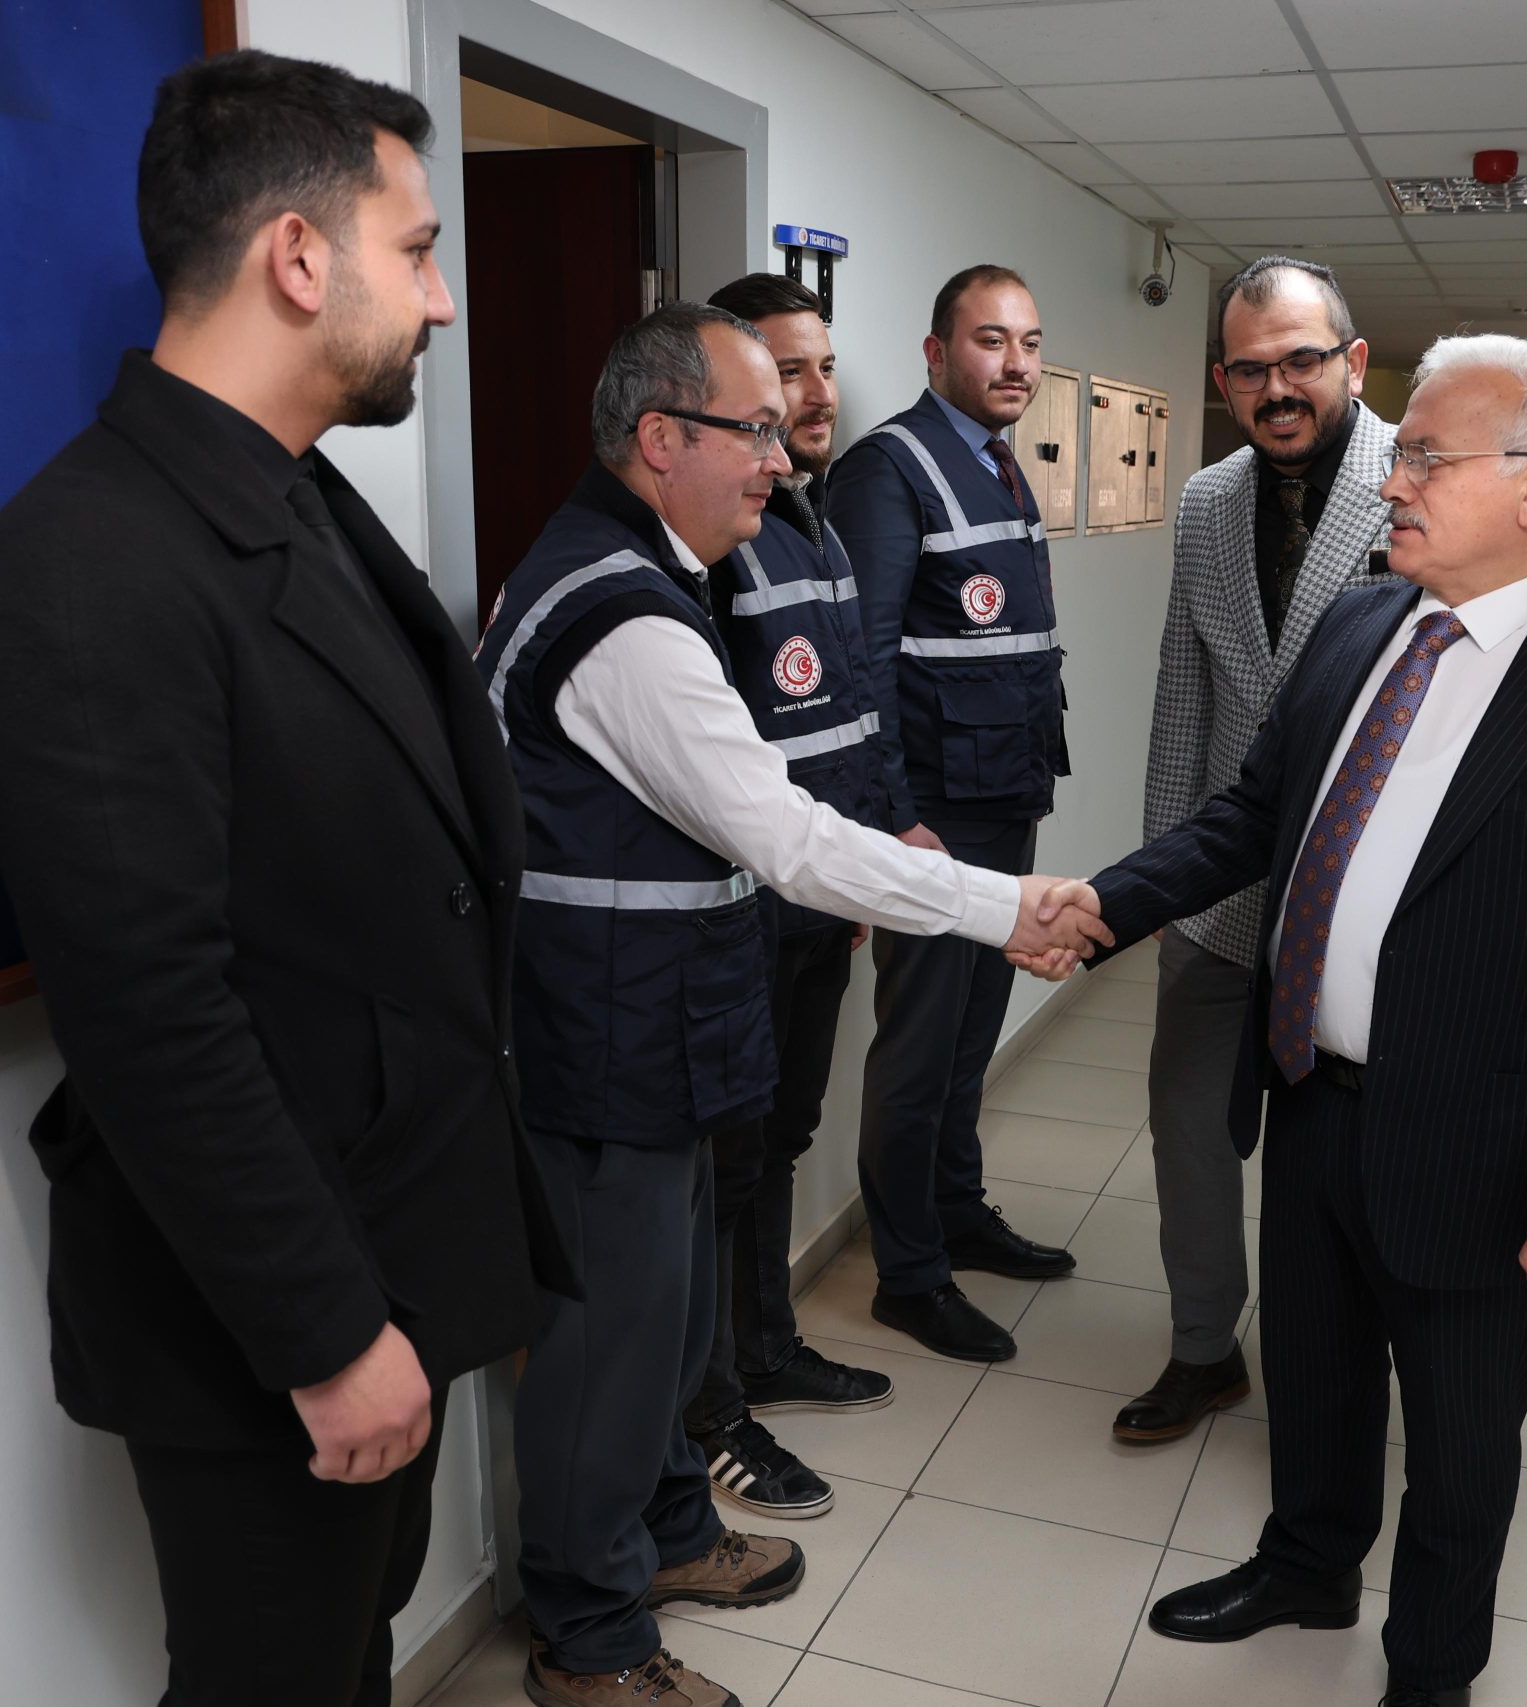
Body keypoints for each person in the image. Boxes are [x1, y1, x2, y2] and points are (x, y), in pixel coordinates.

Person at [0, 52, 571, 1707]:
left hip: (392, 1247)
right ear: (301, 257)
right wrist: (327, 1331)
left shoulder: (294, 499)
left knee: (347, 1653)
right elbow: (151, 1009)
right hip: (272, 1313)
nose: (441, 302)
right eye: (417, 250)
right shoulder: (84, 566)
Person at [1032, 334, 1527, 1707]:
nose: (1390, 481)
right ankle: (1307, 1563)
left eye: (1424, 459)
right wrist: (1103, 903)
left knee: (1461, 1443)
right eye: (1398, 453)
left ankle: (1431, 1669)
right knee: (1316, 1374)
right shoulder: (1359, 626)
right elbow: (1250, 816)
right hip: (1314, 1097)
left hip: (1483, 1148)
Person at [478, 302, 1106, 1707]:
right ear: (660, 439)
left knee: (668, 1315)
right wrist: (1003, 905)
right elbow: (785, 836)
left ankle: (666, 1533)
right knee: (607, 1343)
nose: (780, 457)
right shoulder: (622, 616)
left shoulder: (648, 570)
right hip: (606, 1036)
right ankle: (590, 1637)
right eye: (754, 429)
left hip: (663, 1022)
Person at [1118, 255, 1398, 1445]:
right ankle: (1202, 1349)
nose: (1275, 388)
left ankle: (1332, 1362)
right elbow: (1182, 692)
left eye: (1300, 361)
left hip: (1364, 892)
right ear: (1221, 378)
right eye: (1248, 369)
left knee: (1338, 1156)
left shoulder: (1420, 481)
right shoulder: (1204, 501)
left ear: (1352, 361)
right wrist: (1156, 886)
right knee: (1188, 1126)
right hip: (1222, 890)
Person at [674, 271, 898, 1522]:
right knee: (727, 1157)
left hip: (819, 897)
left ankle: (764, 1347)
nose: (813, 396)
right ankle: (713, 1411)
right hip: (744, 905)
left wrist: (871, 850)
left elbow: (851, 706)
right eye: (784, 376)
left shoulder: (811, 517)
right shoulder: (710, 541)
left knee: (782, 1138)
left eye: (821, 369)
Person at [832, 264, 1077, 1364]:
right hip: (933, 815)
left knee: (973, 1033)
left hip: (1003, 795)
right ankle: (909, 1273)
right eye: (990, 340)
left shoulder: (998, 462)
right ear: (937, 352)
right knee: (920, 1046)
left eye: (1029, 342)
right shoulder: (890, 469)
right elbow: (862, 660)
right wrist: (893, 818)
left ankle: (958, 1210)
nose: (1016, 363)